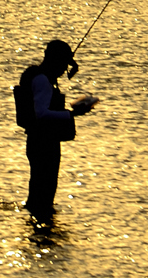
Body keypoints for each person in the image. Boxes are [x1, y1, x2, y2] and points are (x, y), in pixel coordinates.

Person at [18, 40, 97, 219]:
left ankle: (37, 221)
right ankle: (41, 223)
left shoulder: (37, 76)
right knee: (44, 188)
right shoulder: (42, 80)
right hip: (43, 142)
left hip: (39, 141)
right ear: (56, 60)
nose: (64, 70)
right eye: (63, 64)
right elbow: (41, 113)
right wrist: (72, 114)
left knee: (41, 186)